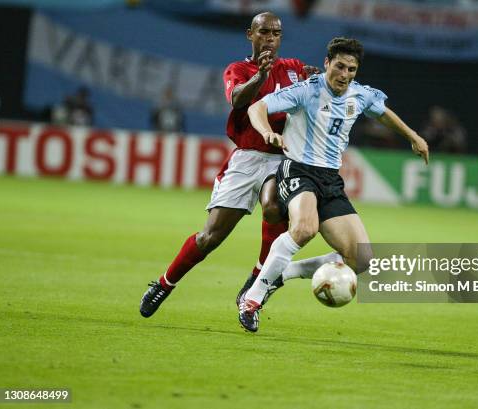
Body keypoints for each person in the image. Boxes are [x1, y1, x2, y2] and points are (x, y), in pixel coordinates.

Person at [139, 12, 337, 318]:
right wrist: (260, 76)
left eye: (277, 33)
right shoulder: (238, 69)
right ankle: (165, 284)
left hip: (283, 158)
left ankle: (256, 282)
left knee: (273, 205)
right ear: (251, 35)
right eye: (265, 32)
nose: (271, 38)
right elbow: (236, 100)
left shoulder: (294, 69)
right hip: (246, 158)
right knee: (210, 237)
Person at [239, 37, 429, 332]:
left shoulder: (360, 95)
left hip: (330, 179)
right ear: (327, 63)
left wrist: (413, 137)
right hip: (298, 170)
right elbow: (256, 109)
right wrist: (267, 133)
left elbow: (383, 113)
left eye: (351, 69)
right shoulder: (307, 90)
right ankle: (252, 300)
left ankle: (281, 273)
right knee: (304, 228)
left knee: (363, 261)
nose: (345, 74)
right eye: (340, 66)